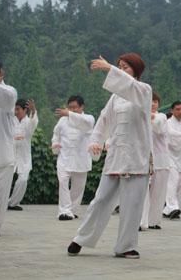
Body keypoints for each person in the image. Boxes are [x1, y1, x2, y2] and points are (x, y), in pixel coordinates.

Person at [67, 53, 152, 259]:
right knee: (101, 199)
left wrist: (109, 69)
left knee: (132, 205)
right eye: (119, 67)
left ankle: (126, 246)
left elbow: (132, 86)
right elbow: (103, 121)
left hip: (136, 158)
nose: (121, 70)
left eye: (125, 67)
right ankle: (81, 238)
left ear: (136, 70)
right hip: (115, 156)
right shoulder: (115, 98)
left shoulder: (145, 90)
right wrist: (96, 141)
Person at [51, 95, 95, 220]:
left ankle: (72, 209)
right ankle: (64, 211)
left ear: (82, 107)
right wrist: (55, 143)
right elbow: (56, 134)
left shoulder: (89, 118)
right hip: (64, 157)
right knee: (63, 182)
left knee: (78, 187)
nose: (72, 110)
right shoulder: (62, 121)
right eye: (70, 107)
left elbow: (86, 123)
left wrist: (69, 114)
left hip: (81, 158)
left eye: (75, 107)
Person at [140, 92, 171, 230]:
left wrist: (146, 114)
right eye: (150, 101)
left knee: (158, 192)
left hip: (161, 159)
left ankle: (154, 221)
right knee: (143, 191)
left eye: (155, 101)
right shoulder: (140, 117)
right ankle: (142, 221)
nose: (153, 104)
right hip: (145, 159)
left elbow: (158, 126)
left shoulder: (162, 116)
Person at [0, 61, 17, 237]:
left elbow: (5, 99)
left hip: (3, 155)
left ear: (0, 74)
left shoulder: (9, 92)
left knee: (0, 196)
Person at [7, 99, 38, 210]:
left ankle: (13, 203)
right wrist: (14, 139)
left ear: (25, 110)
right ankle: (1, 202)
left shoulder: (28, 122)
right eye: (15, 109)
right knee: (5, 179)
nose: (16, 111)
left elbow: (34, 123)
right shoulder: (11, 120)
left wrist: (33, 110)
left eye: (18, 109)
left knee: (23, 179)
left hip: (24, 156)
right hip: (10, 154)